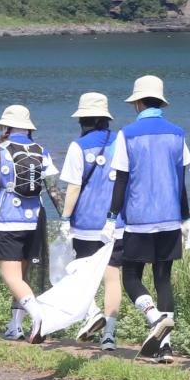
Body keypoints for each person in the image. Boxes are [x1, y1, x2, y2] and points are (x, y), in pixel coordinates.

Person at [98, 76, 189, 363]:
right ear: (161, 102)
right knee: (163, 279)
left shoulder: (128, 134)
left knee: (130, 276)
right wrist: (186, 217)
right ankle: (166, 347)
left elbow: (121, 179)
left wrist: (111, 217)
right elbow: (180, 179)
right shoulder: (177, 133)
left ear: (137, 103)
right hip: (170, 218)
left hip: (139, 219)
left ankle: (154, 318)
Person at [0, 104, 58, 339]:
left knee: (11, 276)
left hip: (8, 220)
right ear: (28, 128)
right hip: (35, 220)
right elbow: (53, 189)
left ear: (6, 127)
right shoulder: (42, 151)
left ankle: (38, 316)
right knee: (22, 277)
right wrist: (66, 218)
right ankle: (15, 326)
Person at [59, 92, 125, 346]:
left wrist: (65, 218)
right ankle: (109, 335)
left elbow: (73, 187)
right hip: (116, 222)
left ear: (86, 120)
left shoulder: (78, 146)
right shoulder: (121, 141)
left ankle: (92, 313)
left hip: (86, 223)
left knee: (78, 273)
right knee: (112, 277)